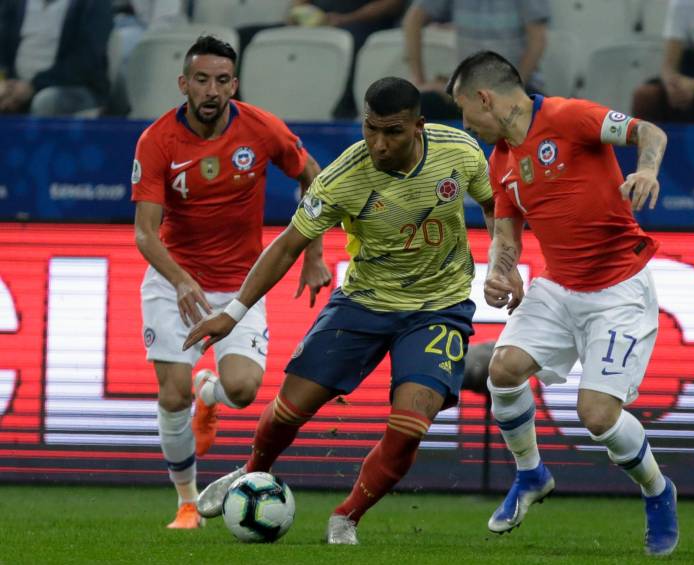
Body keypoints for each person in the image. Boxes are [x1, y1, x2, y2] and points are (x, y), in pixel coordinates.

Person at [183, 76, 496, 544]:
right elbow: (289, 245)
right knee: (290, 409)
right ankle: (251, 472)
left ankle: (346, 515)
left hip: (439, 305)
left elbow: (499, 208)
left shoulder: (461, 152)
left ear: (418, 127)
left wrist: (504, 262)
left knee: (410, 426)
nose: (378, 143)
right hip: (364, 303)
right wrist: (233, 311)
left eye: (392, 132)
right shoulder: (343, 177)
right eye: (370, 129)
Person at [446, 51, 679, 556]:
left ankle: (658, 490)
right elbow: (506, 233)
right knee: (502, 370)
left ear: (485, 98)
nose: (468, 126)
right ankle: (531, 474)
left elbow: (650, 133)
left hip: (618, 289)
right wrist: (501, 273)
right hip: (558, 288)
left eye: (467, 114)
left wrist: (646, 171)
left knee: (596, 415)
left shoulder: (569, 117)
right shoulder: (501, 159)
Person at [131, 35, 330, 529]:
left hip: (243, 285)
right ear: (184, 83)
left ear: (234, 84)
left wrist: (313, 252)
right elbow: (144, 233)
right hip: (175, 281)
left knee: (242, 390)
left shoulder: (260, 129)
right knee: (171, 393)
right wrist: (179, 281)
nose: (211, 90)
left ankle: (210, 395)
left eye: (222, 80)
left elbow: (314, 178)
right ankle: (186, 502)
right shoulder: (157, 141)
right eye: (201, 80)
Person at [402, 0, 549, 119]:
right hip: (468, 89)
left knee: (544, 116)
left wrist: (508, 91)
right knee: (411, 110)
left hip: (518, 86)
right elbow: (413, 19)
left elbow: (537, 41)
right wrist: (419, 80)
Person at [0, 0, 113, 116]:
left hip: (73, 88)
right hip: (15, 86)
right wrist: (4, 82)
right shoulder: (13, 3)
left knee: (46, 102)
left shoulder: (94, 3)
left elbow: (85, 62)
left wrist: (33, 86)